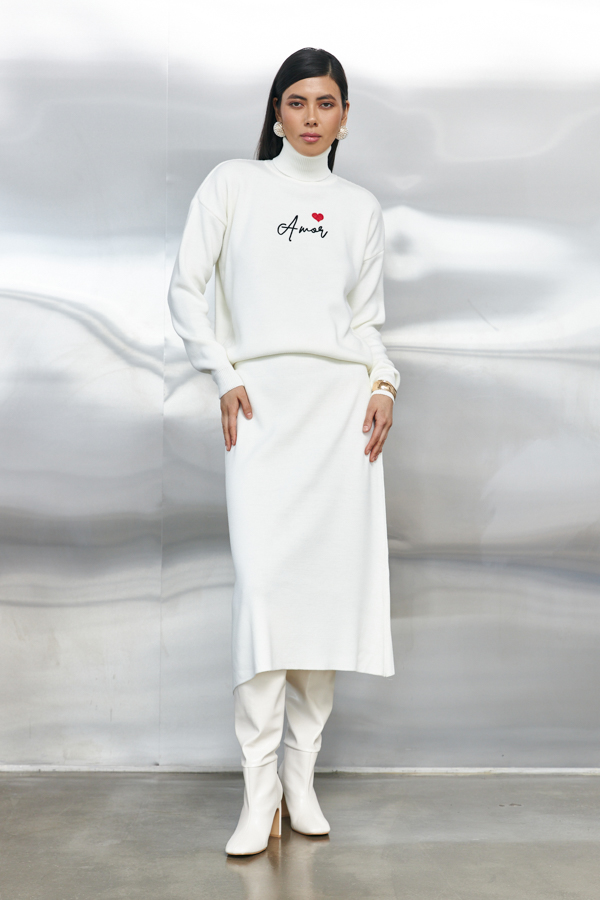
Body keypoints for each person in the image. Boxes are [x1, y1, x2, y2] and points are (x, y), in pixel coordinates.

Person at [167, 47, 399, 857]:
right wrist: (223, 373)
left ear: (344, 116)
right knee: (265, 596)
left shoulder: (359, 208)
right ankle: (257, 788)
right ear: (275, 111)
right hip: (262, 412)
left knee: (323, 599)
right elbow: (186, 288)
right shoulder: (233, 185)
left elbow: (365, 322)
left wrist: (384, 383)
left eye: (325, 103)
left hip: (341, 418)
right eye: (296, 101)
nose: (310, 117)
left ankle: (301, 780)